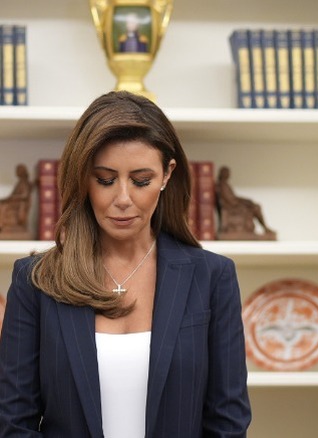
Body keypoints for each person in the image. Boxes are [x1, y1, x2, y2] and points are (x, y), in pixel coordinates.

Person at [0, 91, 251, 437]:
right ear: (81, 178)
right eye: (104, 179)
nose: (122, 199)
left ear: (166, 174)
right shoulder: (35, 281)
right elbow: (14, 422)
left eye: (141, 180)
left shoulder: (213, 278)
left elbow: (228, 422)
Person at [216, 166, 276, 240]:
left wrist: (246, 200)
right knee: (256, 207)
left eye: (228, 173)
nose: (227, 175)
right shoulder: (222, 185)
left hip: (235, 204)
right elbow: (231, 201)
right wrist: (246, 201)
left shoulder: (225, 185)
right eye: (226, 173)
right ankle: (265, 227)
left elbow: (233, 198)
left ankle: (265, 227)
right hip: (232, 207)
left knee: (255, 206)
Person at [0, 164, 33, 238]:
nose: (17, 172)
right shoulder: (19, 182)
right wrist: (7, 199)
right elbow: (12, 195)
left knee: (3, 206)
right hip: (14, 201)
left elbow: (25, 195)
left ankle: (1, 224)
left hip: (19, 203)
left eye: (18, 170)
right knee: (2, 204)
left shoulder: (24, 182)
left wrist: (12, 198)